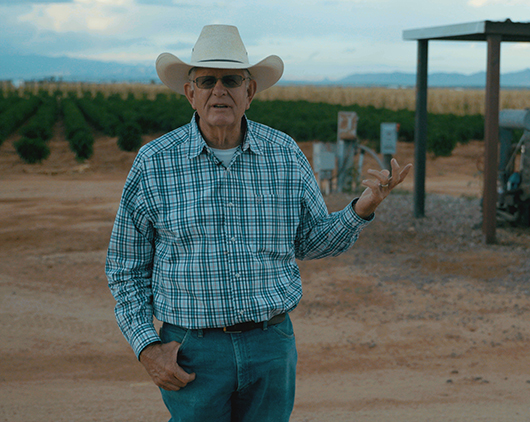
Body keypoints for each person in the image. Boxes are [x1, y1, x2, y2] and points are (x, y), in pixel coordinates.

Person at [105, 24, 411, 422]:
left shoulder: (284, 153)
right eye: (207, 80)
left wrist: (361, 208)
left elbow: (312, 240)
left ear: (249, 91)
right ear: (190, 93)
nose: (220, 90)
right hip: (192, 349)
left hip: (271, 344)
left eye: (231, 80)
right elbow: (125, 269)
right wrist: (147, 347)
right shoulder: (154, 163)